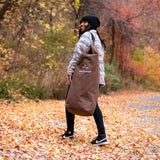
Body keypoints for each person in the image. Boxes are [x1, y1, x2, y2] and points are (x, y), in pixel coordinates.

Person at [60, 15, 108, 146]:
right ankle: (101, 135)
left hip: (84, 76)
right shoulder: (96, 37)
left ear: (91, 24)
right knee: (92, 102)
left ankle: (71, 132)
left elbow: (77, 55)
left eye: (85, 22)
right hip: (94, 77)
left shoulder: (87, 36)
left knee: (70, 100)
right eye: (81, 22)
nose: (82, 24)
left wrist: (70, 71)